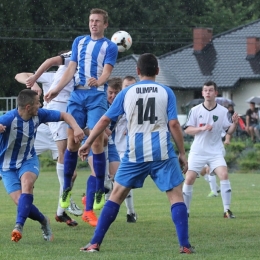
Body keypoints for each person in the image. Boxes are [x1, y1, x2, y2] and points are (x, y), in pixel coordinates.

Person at [78, 53, 194, 254]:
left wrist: (88, 142)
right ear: (157, 71)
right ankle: (184, 245)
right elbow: (174, 124)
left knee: (116, 195)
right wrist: (182, 153)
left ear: (138, 71)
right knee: (176, 196)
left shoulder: (127, 92)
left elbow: (105, 120)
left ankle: (95, 243)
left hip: (135, 154)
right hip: (162, 152)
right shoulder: (166, 92)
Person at [44, 8, 118, 211]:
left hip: (96, 96)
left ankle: (101, 190)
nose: (93, 23)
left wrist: (99, 81)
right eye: (91, 20)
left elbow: (107, 72)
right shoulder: (79, 41)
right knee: (72, 142)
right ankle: (66, 188)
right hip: (77, 95)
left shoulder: (110, 46)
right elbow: (70, 68)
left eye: (97, 21)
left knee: (97, 142)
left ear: (105, 25)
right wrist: (56, 90)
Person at [0, 89, 84, 242]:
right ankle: (43, 221)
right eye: (37, 102)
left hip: (28, 160)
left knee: (27, 183)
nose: (40, 105)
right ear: (28, 107)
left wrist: (77, 128)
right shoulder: (8, 119)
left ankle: (18, 226)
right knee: (21, 203)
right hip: (7, 167)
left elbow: (64, 115)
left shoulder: (39, 114)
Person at [15, 54, 83, 227]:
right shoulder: (54, 75)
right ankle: (65, 199)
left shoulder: (80, 78)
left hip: (58, 124)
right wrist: (34, 82)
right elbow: (20, 75)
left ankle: (61, 211)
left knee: (72, 173)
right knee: (12, 161)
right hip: (46, 128)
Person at [182, 80, 239, 219]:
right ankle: (186, 212)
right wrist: (201, 128)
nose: (208, 92)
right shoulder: (195, 110)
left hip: (215, 151)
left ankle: (227, 211)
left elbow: (229, 131)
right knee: (189, 179)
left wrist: (235, 123)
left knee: (224, 175)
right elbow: (187, 129)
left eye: (211, 90)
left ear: (216, 93)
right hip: (198, 151)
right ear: (202, 93)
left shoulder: (223, 111)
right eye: (205, 90)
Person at [114, 75, 138, 222]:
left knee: (122, 182)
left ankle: (130, 212)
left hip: (128, 149)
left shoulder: (139, 106)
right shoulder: (115, 103)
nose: (129, 89)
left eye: (132, 86)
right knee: (110, 183)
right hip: (110, 149)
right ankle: (129, 212)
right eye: (126, 86)